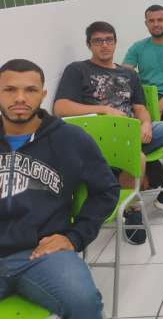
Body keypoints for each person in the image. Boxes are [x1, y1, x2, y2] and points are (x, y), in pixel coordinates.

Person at [0, 58, 119, 318]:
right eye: (9, 89)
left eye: (30, 90)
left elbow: (106, 191)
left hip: (43, 253)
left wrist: (75, 237)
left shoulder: (70, 139)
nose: (20, 98)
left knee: (84, 303)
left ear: (43, 94)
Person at [53, 21, 163, 217]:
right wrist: (104, 110)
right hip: (100, 137)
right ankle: (131, 211)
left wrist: (146, 124)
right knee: (136, 157)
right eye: (98, 41)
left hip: (133, 132)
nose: (104, 45)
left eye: (109, 40)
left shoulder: (129, 74)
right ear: (88, 45)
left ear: (115, 43)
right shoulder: (78, 69)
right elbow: (60, 107)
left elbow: (140, 107)